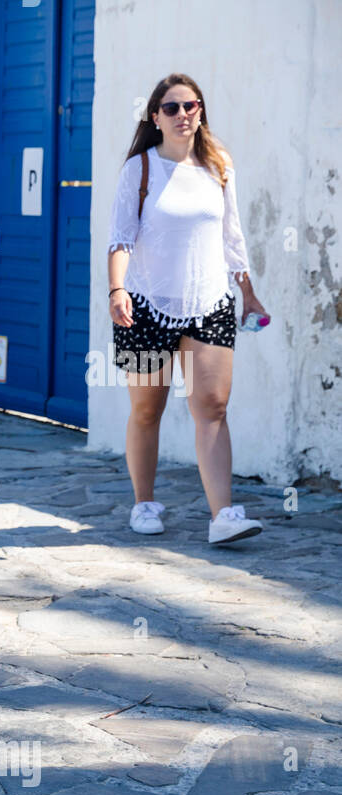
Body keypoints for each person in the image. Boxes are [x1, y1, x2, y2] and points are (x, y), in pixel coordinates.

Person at [108, 73, 268, 546]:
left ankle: (223, 515)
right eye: (173, 108)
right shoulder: (139, 170)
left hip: (208, 302)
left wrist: (249, 293)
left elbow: (231, 239)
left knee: (213, 406)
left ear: (201, 112)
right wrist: (117, 290)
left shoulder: (218, 167)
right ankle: (144, 502)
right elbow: (120, 237)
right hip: (146, 304)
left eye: (191, 106)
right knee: (146, 409)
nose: (183, 115)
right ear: (155, 116)